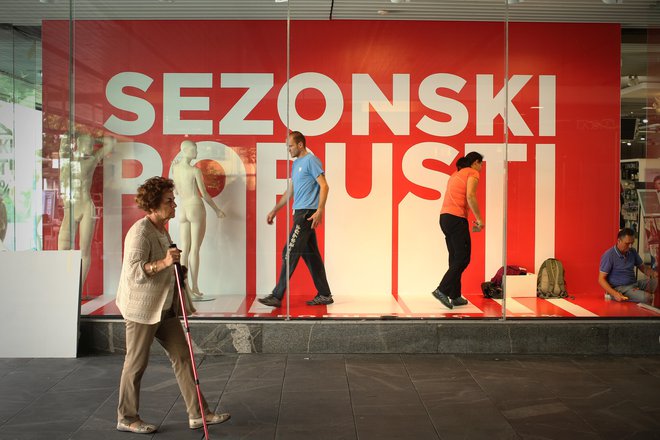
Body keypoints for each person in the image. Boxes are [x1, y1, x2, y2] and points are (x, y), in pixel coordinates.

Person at [115, 176, 230, 434]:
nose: (174, 204)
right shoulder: (140, 232)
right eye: (169, 201)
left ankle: (198, 413)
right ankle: (126, 417)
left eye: (174, 199)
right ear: (154, 205)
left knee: (183, 357)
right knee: (135, 363)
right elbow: (134, 271)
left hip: (163, 307)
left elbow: (163, 264)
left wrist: (178, 270)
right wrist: (165, 264)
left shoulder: (161, 229)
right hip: (142, 310)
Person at [258, 131, 333, 308]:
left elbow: (324, 185)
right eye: (287, 147)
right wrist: (275, 210)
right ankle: (324, 294)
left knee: (289, 252)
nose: (288, 150)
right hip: (299, 212)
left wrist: (320, 209)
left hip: (306, 214)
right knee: (312, 257)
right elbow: (290, 191)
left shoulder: (311, 160)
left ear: (300, 145)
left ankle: (277, 296)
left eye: (290, 146)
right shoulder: (297, 163)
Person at [58, 133, 115, 290]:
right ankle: (64, 286)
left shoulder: (92, 160)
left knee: (84, 250)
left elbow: (111, 144)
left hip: (86, 206)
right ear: (78, 144)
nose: (90, 148)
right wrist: (76, 135)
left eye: (92, 145)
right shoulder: (66, 160)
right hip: (70, 208)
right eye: (87, 144)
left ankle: (78, 289)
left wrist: (94, 139)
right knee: (63, 248)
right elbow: (63, 142)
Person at [171, 140, 225, 297]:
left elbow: (175, 192)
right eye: (194, 149)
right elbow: (205, 194)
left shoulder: (175, 168)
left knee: (184, 249)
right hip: (195, 207)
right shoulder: (194, 171)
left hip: (183, 209)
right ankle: (194, 287)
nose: (196, 153)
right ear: (186, 150)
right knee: (194, 249)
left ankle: (183, 288)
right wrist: (217, 210)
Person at [432, 152, 484, 309]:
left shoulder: (455, 174)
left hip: (444, 218)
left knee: (455, 257)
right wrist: (479, 219)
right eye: (481, 164)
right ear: (475, 163)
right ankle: (442, 290)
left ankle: (454, 295)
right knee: (463, 258)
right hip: (456, 218)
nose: (481, 168)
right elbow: (470, 196)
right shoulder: (472, 172)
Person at [599, 227, 657, 304]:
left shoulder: (632, 251)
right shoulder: (609, 255)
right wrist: (615, 294)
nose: (630, 246)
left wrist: (654, 273)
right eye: (627, 243)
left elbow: (643, 268)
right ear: (619, 241)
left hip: (634, 284)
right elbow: (601, 279)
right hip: (620, 288)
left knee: (657, 283)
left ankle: (637, 292)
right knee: (647, 297)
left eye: (632, 243)